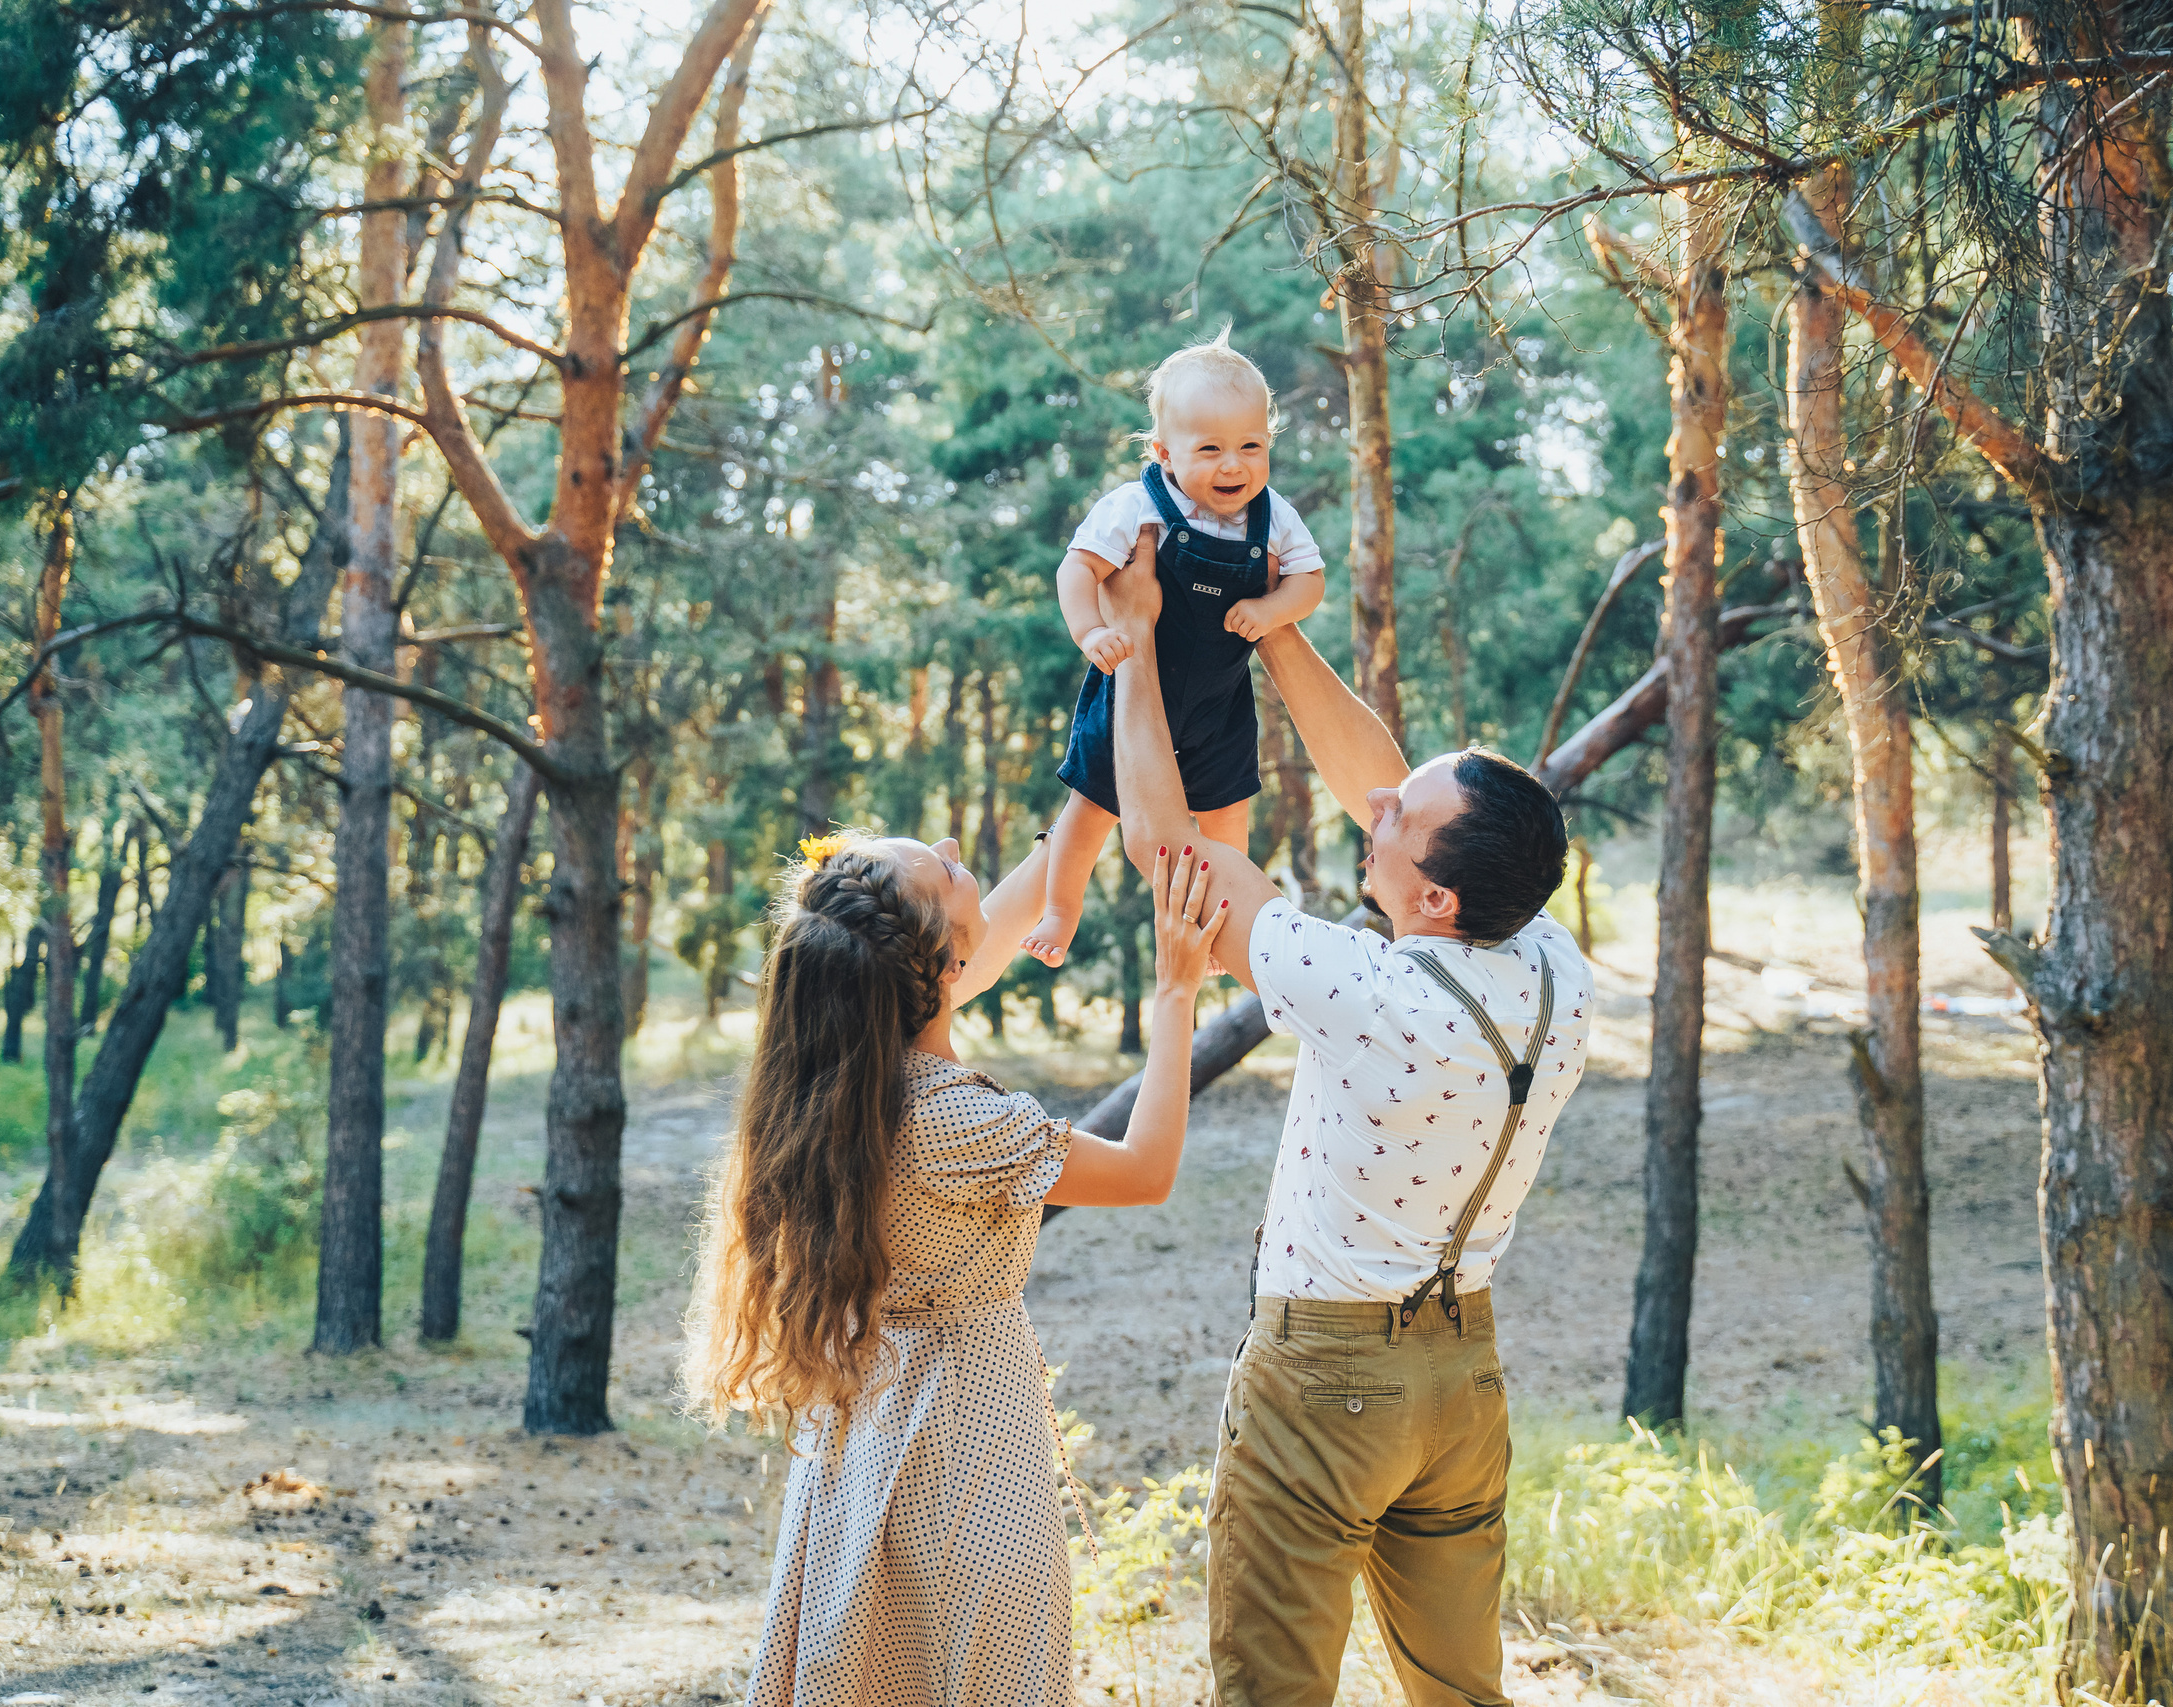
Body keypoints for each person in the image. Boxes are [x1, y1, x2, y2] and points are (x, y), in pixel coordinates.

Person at [1098, 540, 1598, 1707]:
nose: (1373, 806)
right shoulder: (1554, 965)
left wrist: (1134, 650)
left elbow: (1173, 857)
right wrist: (1267, 626)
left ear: (1433, 899)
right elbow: (1388, 789)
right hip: (1461, 1378)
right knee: (1461, 1692)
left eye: (1396, 822)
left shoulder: (1365, 994)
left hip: (1325, 1381)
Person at [685, 831, 1228, 1707]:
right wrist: (1175, 990)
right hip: (970, 1449)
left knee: (869, 1670)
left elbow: (991, 922)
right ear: (941, 966)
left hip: (860, 1439)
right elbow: (1146, 1168)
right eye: (940, 864)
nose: (948, 844)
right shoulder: (960, 1123)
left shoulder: (846, 1076)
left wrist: (1083, 810)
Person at [1021, 331, 1326, 968]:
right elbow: (1075, 571)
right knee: (1093, 804)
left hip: (1219, 701)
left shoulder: (1275, 517)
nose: (1233, 466)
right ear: (1163, 452)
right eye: (1209, 449)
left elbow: (1310, 581)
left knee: (1226, 817)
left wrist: (1272, 608)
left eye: (1250, 446)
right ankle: (1060, 910)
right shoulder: (1135, 508)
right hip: (1133, 688)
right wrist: (1089, 632)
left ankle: (1221, 922)